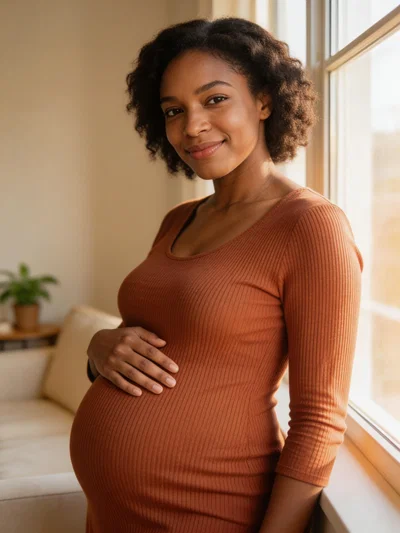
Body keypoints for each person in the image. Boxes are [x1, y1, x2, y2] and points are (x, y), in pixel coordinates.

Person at [69, 16, 363, 533]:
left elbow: (320, 421)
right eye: (173, 110)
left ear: (265, 101)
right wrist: (98, 347)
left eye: (215, 99)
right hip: (112, 516)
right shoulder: (178, 220)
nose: (192, 126)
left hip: (206, 511)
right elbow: (156, 346)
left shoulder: (311, 226)